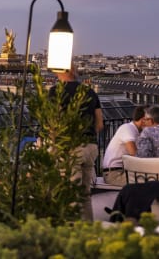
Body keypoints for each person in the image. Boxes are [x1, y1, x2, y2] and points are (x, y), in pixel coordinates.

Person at [49, 65, 104, 221]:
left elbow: (54, 121)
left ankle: (72, 233)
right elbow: (99, 124)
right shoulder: (90, 92)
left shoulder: (56, 92)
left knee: (69, 193)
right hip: (91, 146)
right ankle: (88, 231)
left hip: (70, 146)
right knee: (84, 194)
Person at [102, 105, 151, 186]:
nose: (153, 123)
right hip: (115, 174)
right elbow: (134, 154)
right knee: (152, 181)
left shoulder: (138, 132)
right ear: (143, 120)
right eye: (151, 120)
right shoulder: (127, 128)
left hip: (123, 171)